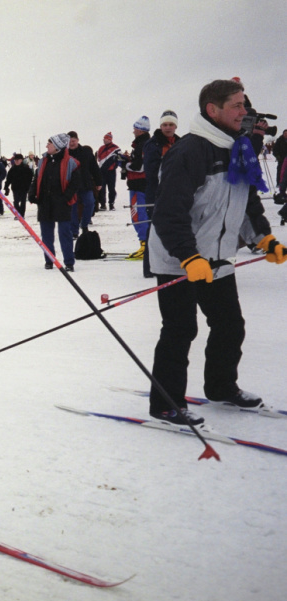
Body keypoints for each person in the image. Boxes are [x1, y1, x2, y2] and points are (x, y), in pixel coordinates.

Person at [147, 79, 283, 426]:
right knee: (180, 330)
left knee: (229, 325)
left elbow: (246, 201)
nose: (245, 112)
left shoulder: (239, 148)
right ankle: (166, 404)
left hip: (218, 257)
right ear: (213, 110)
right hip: (180, 259)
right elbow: (168, 212)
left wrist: (263, 239)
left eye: (244, 105)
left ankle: (222, 387)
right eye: (237, 105)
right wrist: (188, 257)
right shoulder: (189, 151)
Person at [28, 133, 78, 271]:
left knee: (65, 234)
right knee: (46, 235)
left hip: (62, 203)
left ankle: (69, 262)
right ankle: (49, 260)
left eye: (49, 143)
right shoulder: (43, 161)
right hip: (45, 202)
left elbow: (75, 183)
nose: (46, 146)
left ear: (57, 146)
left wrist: (65, 198)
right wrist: (32, 194)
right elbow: (36, 179)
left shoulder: (70, 162)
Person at [142, 110, 180, 278]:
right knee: (154, 229)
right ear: (160, 126)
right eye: (165, 124)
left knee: (177, 227)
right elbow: (151, 171)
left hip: (177, 192)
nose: (168, 127)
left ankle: (172, 265)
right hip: (156, 191)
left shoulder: (181, 142)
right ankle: (149, 268)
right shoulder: (153, 144)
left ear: (175, 126)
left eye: (171, 124)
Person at [66, 131, 102, 238]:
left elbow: (94, 167)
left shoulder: (86, 152)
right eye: (69, 141)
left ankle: (85, 224)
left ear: (78, 140)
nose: (71, 143)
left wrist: (99, 181)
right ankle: (74, 231)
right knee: (73, 208)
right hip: (71, 185)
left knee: (90, 203)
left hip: (85, 183)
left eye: (73, 141)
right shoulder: (65, 154)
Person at [125, 116, 151, 259]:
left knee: (139, 216)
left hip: (140, 185)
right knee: (139, 215)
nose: (133, 131)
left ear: (140, 130)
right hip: (137, 184)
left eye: (135, 128)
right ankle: (144, 244)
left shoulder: (143, 144)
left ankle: (145, 245)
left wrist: (125, 164)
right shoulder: (140, 144)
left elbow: (140, 166)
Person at [96, 133, 121, 210]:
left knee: (111, 188)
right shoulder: (101, 148)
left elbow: (120, 159)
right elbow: (99, 158)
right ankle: (103, 204)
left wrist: (115, 165)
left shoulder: (116, 148)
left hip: (111, 172)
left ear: (109, 139)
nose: (104, 140)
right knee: (101, 188)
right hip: (102, 172)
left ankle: (111, 204)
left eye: (105, 138)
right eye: (103, 138)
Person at [3, 153, 33, 218]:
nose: (16, 161)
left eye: (18, 160)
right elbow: (8, 179)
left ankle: (21, 215)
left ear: (21, 160)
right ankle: (18, 214)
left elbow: (30, 178)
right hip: (15, 188)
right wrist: (6, 187)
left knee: (23, 202)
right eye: (15, 160)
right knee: (16, 202)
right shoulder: (12, 169)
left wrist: (28, 186)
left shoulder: (26, 169)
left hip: (24, 188)